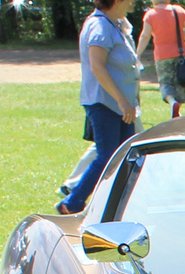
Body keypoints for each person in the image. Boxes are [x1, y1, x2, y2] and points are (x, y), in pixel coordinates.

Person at [56, 0, 139, 214]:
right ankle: (71, 203)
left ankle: (118, 206)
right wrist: (121, 100)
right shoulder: (99, 25)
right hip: (105, 103)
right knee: (107, 157)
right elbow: (97, 66)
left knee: (125, 156)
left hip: (120, 105)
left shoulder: (115, 23)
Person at [136, 0, 185, 119]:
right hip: (181, 55)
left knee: (165, 82)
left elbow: (145, 36)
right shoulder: (178, 10)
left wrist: (138, 53)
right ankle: (176, 110)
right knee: (180, 81)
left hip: (162, 55)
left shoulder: (150, 15)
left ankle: (171, 102)